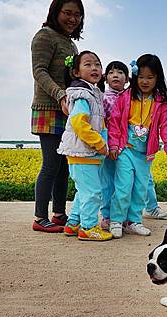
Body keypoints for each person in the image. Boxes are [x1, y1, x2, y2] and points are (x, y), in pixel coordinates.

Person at [107, 54, 167, 238]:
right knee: (123, 186)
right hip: (126, 150)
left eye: (150, 77)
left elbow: (166, 128)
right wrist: (114, 146)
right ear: (134, 77)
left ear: (158, 78)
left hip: (145, 155)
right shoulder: (125, 97)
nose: (145, 81)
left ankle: (133, 221)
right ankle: (116, 220)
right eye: (141, 77)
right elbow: (115, 122)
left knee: (140, 189)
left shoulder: (161, 103)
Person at [31, 0, 83, 233]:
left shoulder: (71, 45)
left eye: (78, 15)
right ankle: (40, 217)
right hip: (48, 109)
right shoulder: (45, 36)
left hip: (68, 109)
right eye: (68, 13)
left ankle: (59, 213)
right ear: (55, 12)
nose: (73, 19)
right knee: (51, 165)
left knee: (64, 166)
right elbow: (39, 71)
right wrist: (60, 95)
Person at [57, 51, 113, 241]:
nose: (94, 68)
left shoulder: (92, 92)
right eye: (88, 65)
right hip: (84, 152)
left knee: (84, 191)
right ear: (76, 72)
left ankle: (73, 224)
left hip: (85, 153)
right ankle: (88, 227)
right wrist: (99, 143)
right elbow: (80, 124)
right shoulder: (82, 95)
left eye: (97, 64)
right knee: (93, 193)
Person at [100, 60, 129, 230]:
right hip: (108, 145)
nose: (115, 75)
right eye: (111, 72)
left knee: (124, 184)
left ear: (127, 79)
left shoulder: (130, 98)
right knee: (108, 183)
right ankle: (107, 215)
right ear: (106, 78)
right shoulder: (103, 98)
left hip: (126, 147)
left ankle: (122, 216)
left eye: (120, 72)